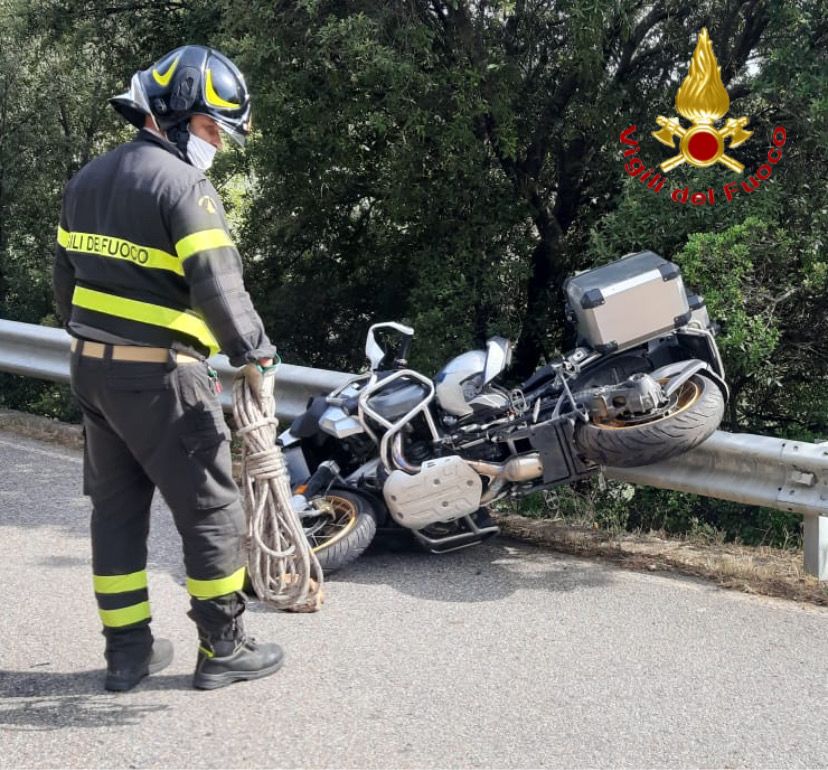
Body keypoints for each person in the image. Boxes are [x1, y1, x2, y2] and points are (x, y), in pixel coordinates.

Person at [52, 45, 284, 691]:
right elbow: (218, 284)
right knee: (212, 511)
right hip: (162, 380)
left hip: (93, 373)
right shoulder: (182, 184)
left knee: (117, 513)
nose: (218, 144)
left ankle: (126, 654)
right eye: (212, 128)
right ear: (176, 113)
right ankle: (224, 648)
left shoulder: (86, 180)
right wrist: (255, 352)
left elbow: (65, 288)